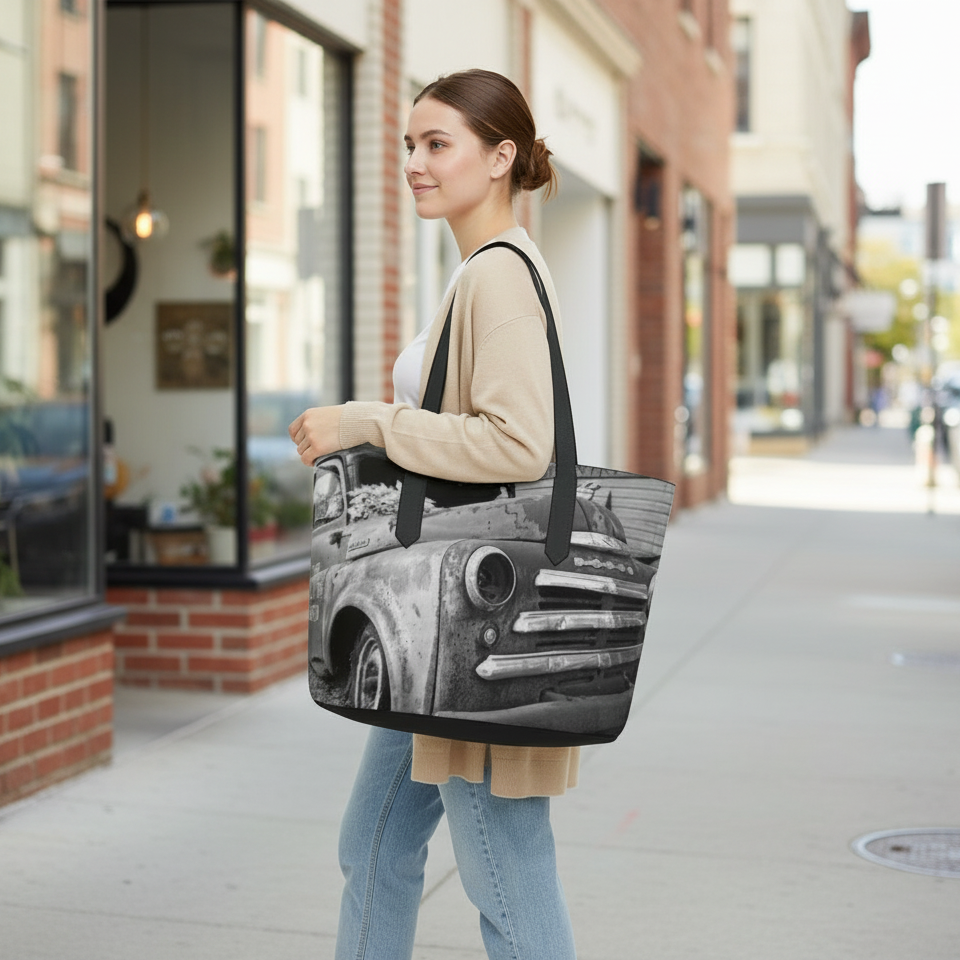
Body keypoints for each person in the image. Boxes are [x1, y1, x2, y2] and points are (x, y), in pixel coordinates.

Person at [289, 68, 578, 960]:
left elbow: (517, 445)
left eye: (437, 143)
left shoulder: (499, 274)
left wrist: (369, 421)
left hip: (476, 636)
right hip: (439, 628)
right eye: (410, 144)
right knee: (373, 843)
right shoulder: (481, 270)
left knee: (505, 870)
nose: (414, 162)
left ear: (500, 157)